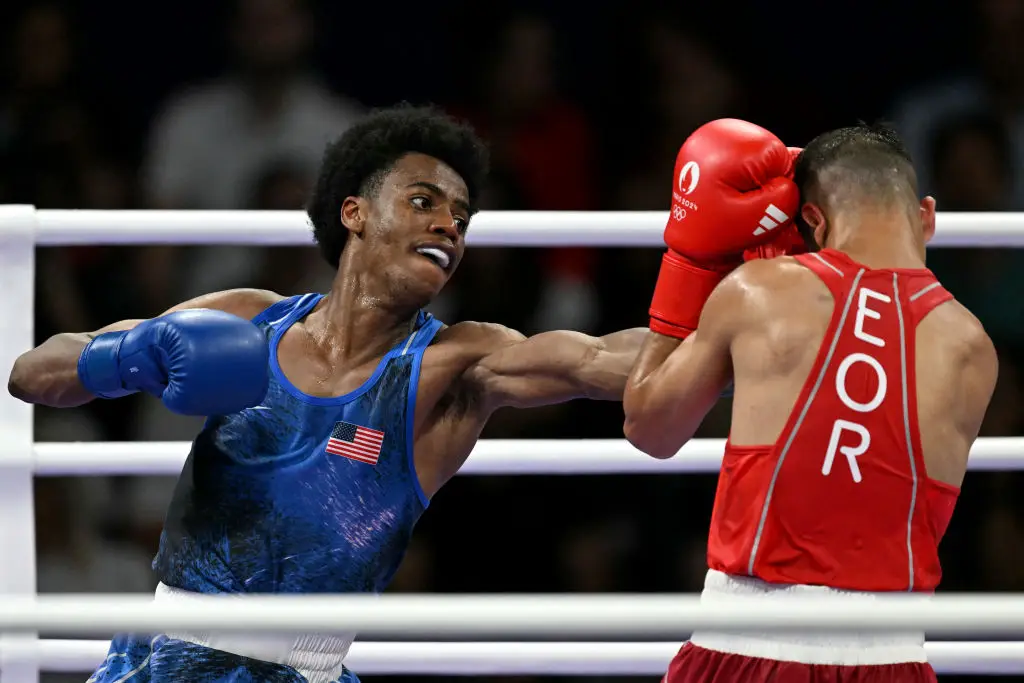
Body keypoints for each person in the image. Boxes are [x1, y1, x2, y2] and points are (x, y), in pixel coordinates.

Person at [7, 104, 654, 683]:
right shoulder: (249, 320)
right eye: (425, 201)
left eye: (461, 217)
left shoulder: (455, 363)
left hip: (303, 669)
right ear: (356, 212)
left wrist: (736, 306)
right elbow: (32, 373)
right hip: (160, 653)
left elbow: (598, 359)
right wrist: (133, 353)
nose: (450, 226)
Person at [623, 120, 998, 682]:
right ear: (927, 216)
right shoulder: (973, 347)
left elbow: (649, 428)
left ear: (813, 221)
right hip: (890, 658)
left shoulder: (761, 291)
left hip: (744, 647)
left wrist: (690, 264)